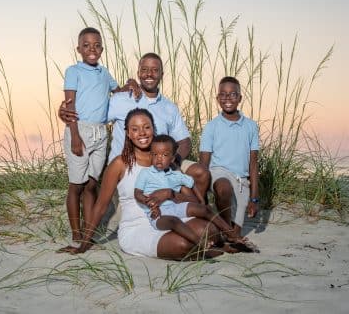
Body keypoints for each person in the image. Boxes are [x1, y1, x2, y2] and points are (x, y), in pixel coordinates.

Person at [61, 109, 249, 259]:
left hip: (171, 217)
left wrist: (170, 194)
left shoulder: (165, 161)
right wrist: (85, 243)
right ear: (128, 134)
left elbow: (191, 199)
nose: (141, 133)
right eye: (135, 129)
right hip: (137, 227)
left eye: (146, 127)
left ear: (153, 129)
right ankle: (199, 248)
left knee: (211, 230)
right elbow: (101, 206)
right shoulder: (120, 164)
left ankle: (207, 244)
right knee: (183, 245)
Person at [59, 52, 210, 199]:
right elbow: (93, 119)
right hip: (128, 167)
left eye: (154, 70)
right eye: (144, 70)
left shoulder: (169, 107)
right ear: (138, 73)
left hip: (162, 164)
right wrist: (66, 113)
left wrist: (171, 161)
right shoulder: (121, 99)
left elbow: (184, 141)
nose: (149, 74)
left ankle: (197, 215)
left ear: (162, 74)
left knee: (200, 173)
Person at [62, 27, 138, 244]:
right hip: (80, 130)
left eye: (96, 45)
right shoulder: (73, 71)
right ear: (79, 49)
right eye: (86, 45)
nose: (91, 49)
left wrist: (130, 83)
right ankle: (76, 233)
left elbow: (119, 90)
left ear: (102, 49)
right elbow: (70, 105)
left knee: (91, 184)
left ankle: (88, 232)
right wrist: (75, 136)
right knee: (76, 184)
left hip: (101, 132)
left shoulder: (104, 73)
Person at [135, 134, 249, 246]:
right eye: (155, 154)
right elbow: (137, 194)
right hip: (157, 213)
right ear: (150, 155)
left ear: (172, 158)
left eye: (164, 155)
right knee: (173, 221)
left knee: (204, 209)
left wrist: (201, 201)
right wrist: (151, 205)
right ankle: (199, 242)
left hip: (175, 206)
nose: (159, 158)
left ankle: (230, 233)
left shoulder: (176, 175)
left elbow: (191, 183)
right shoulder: (146, 173)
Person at [199, 76, 260, 240]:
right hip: (218, 174)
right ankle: (225, 230)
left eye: (232, 94)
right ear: (218, 98)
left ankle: (227, 231)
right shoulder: (211, 127)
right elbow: (203, 165)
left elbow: (253, 164)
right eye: (223, 95)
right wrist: (201, 196)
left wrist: (254, 198)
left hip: (241, 181)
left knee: (236, 234)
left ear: (239, 98)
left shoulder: (251, 126)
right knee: (224, 187)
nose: (227, 98)